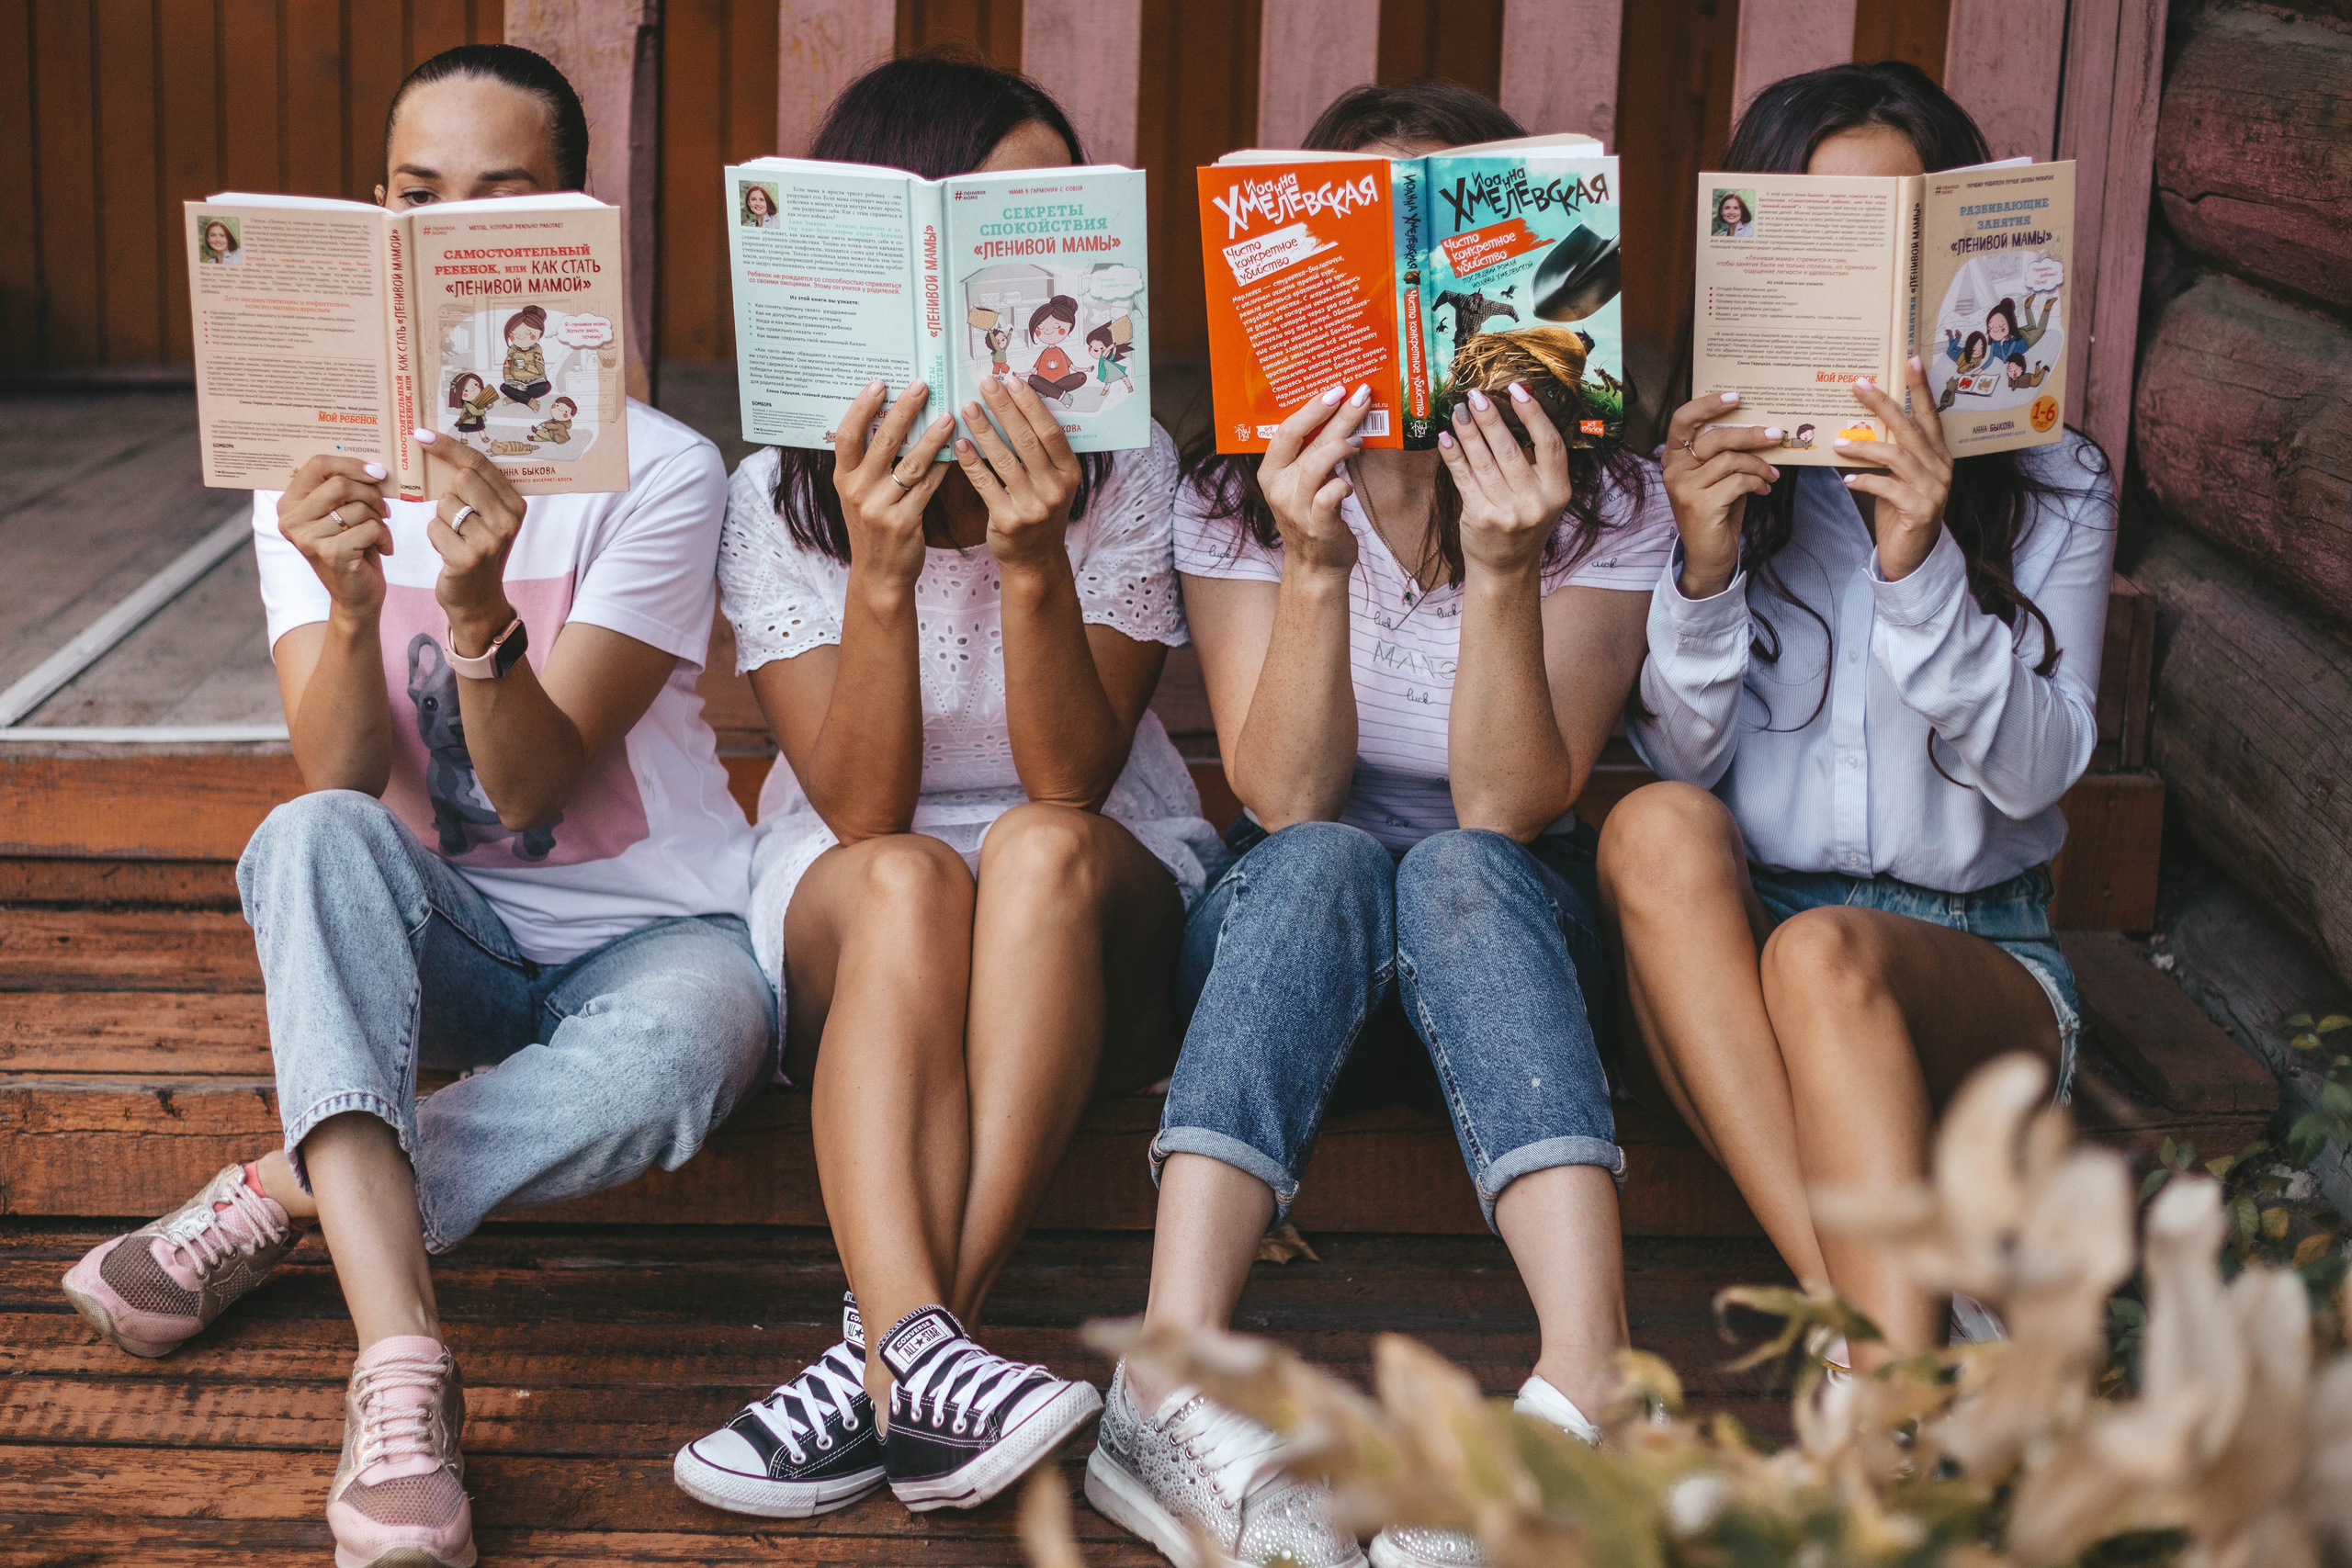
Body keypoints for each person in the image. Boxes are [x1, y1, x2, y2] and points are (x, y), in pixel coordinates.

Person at [60, 43, 774, 1568]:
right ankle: (402, 1371)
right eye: (414, 198)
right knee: (305, 836)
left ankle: (286, 1184)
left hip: (655, 931)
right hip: (437, 937)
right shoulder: (306, 471)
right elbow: (335, 780)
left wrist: (471, 602)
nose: (448, 232)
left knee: (698, 1051)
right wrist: (349, 580)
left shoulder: (662, 469)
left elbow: (527, 776)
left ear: (571, 227)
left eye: (497, 202)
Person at [1089, 80, 1677, 1568]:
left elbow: (1509, 804)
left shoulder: (1608, 497)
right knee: (1329, 851)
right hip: (1292, 941)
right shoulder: (1238, 486)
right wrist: (1308, 554)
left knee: (1466, 865)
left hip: (1507, 951)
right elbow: (1282, 800)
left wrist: (1503, 565)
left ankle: (1591, 1383)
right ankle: (1167, 1375)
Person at [670, 50, 1224, 1524]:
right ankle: (933, 1357)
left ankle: (892, 1356)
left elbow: (1075, 774)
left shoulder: (1127, 459)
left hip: (1088, 874)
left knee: (1034, 847)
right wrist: (880, 569)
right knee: (915, 869)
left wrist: (1034, 555)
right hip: (870, 888)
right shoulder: (777, 487)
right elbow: (860, 807)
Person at [1599, 59, 2116, 1366]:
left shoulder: (2054, 479)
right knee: (1651, 826)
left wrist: (1919, 555)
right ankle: (1895, 1344)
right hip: (1753, 950)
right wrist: (1706, 568)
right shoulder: (1728, 470)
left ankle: (1879, 1369)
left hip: (1972, 960)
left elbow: (2039, 778)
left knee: (1826, 954)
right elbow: (1685, 756)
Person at [1024, 295, 1090, 402]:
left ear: (1069, 326)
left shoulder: (1060, 351)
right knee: (1032, 380)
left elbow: (1073, 367)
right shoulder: (1044, 352)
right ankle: (1063, 397)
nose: (1047, 331)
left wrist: (1086, 369)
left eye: (1056, 327)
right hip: (1044, 380)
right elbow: (1033, 370)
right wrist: (1020, 375)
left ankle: (1045, 392)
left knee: (1081, 377)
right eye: (1040, 327)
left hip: (1062, 380)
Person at [499, 303, 551, 409]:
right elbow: (506, 370)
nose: (521, 337)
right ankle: (530, 402)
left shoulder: (537, 353)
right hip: (517, 383)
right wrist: (514, 385)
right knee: (504, 387)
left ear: (539, 333)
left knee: (546, 386)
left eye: (528, 333)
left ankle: (515, 398)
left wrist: (526, 366)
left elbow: (540, 370)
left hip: (534, 383)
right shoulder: (512, 354)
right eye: (515, 334)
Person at [447, 370, 497, 435]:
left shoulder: (479, 400)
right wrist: (484, 410)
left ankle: (484, 437)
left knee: (481, 429)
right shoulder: (468, 404)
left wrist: (489, 405)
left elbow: (486, 404)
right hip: (467, 420)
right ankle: (463, 439)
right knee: (465, 431)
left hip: (477, 419)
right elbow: (475, 412)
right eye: (466, 390)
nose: (473, 389)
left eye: (476, 384)